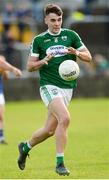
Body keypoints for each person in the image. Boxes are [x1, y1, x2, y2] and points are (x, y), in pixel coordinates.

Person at [17, 3, 92, 176]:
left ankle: (25, 147)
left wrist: (77, 53)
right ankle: (60, 163)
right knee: (65, 119)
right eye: (53, 20)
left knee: (50, 130)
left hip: (67, 88)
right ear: (45, 20)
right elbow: (29, 66)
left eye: (59, 20)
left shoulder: (71, 35)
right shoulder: (39, 40)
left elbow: (88, 57)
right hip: (49, 86)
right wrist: (44, 61)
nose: (57, 23)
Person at [0, 55, 22, 144]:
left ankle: (1, 137)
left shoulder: (2, 64)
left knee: (1, 115)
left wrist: (5, 70)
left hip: (0, 93)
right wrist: (13, 69)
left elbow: (6, 78)